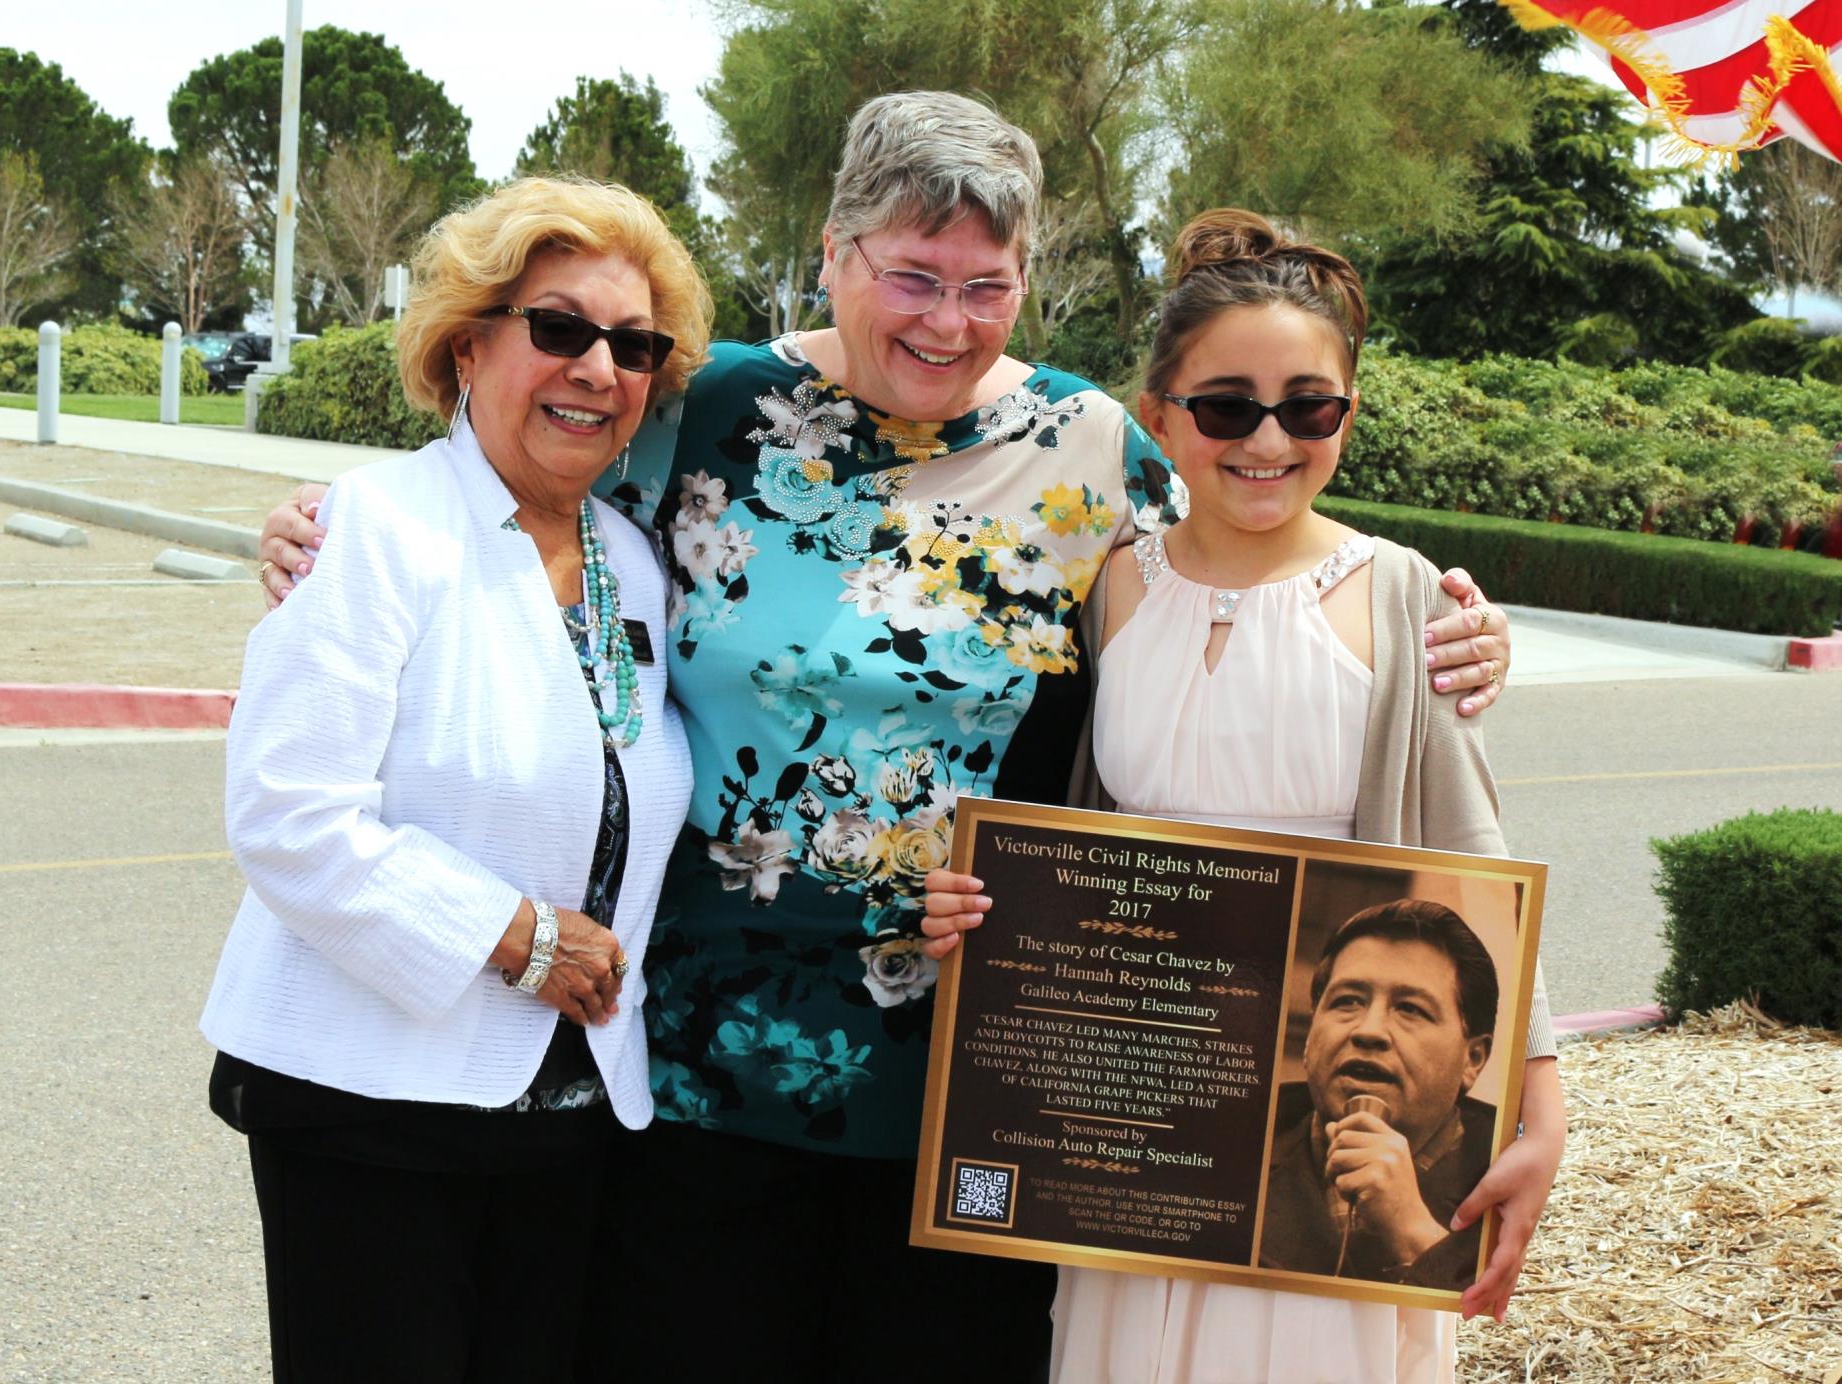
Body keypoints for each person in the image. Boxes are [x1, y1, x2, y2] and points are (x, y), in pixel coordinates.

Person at [253, 95, 1514, 1381]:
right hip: (696, 1056)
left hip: (980, 1070)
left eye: (987, 285)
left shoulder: (1086, 445)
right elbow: (517, 486)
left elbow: (1250, 538)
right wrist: (317, 523)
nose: (946, 320)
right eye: (913, 275)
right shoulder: (708, 409)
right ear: (834, 255)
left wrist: (1449, 619)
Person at [922, 209, 1565, 1384]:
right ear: (1161, 416)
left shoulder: (1403, 593)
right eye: (1225, 406)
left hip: (1320, 1163)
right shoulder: (1111, 591)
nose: (1267, 438)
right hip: (1135, 1119)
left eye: (1307, 406)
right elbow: (1054, 829)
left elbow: (1477, 856)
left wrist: (1542, 1113)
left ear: (1347, 415)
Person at [203, 177, 705, 1383]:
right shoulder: (372, 527)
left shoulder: (632, 559)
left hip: (569, 1115)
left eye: (634, 346)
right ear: (468, 344)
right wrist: (518, 935)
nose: (599, 367)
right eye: (560, 327)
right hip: (370, 1106)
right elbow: (290, 817)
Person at [1259, 900, 1502, 1290]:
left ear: (1472, 1059)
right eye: (1347, 1001)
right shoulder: (1230, 1146)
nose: (1368, 1030)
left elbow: (1496, 1333)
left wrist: (1413, 1233)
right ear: (1308, 1040)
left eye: (1410, 1009)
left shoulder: (1509, 1173)